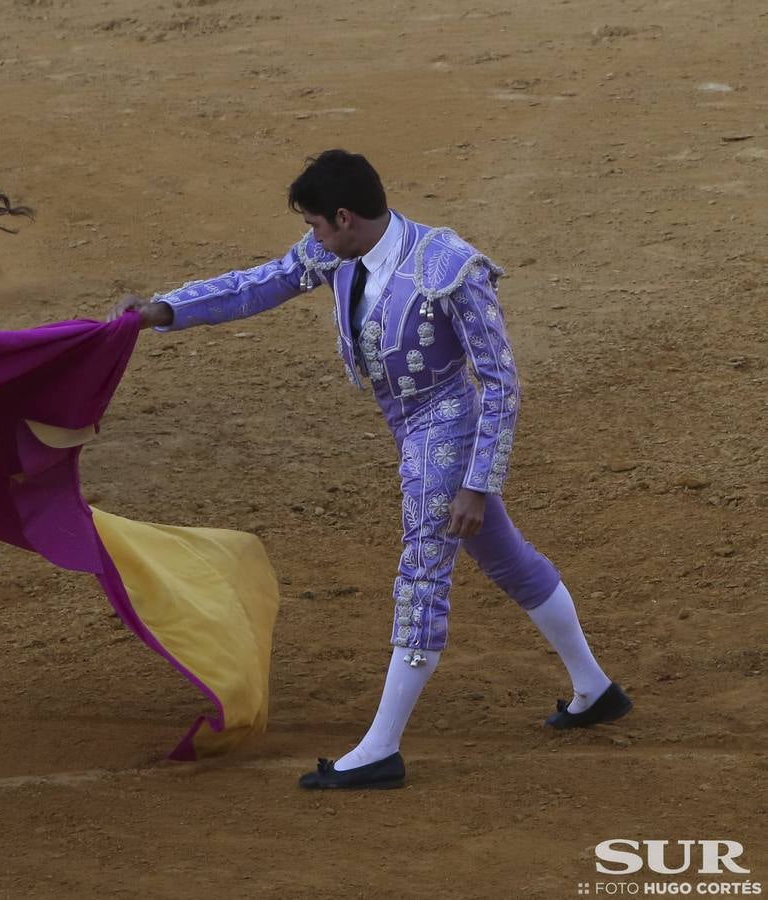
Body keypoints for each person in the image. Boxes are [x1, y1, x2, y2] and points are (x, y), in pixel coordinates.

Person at [108, 149, 632, 790]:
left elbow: (499, 383)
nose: (310, 239)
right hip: (411, 427)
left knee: (422, 575)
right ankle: (594, 687)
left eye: (315, 225)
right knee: (504, 557)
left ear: (346, 217)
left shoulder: (449, 268)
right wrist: (168, 310)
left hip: (446, 432)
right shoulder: (341, 251)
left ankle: (381, 748)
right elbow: (264, 282)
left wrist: (475, 481)